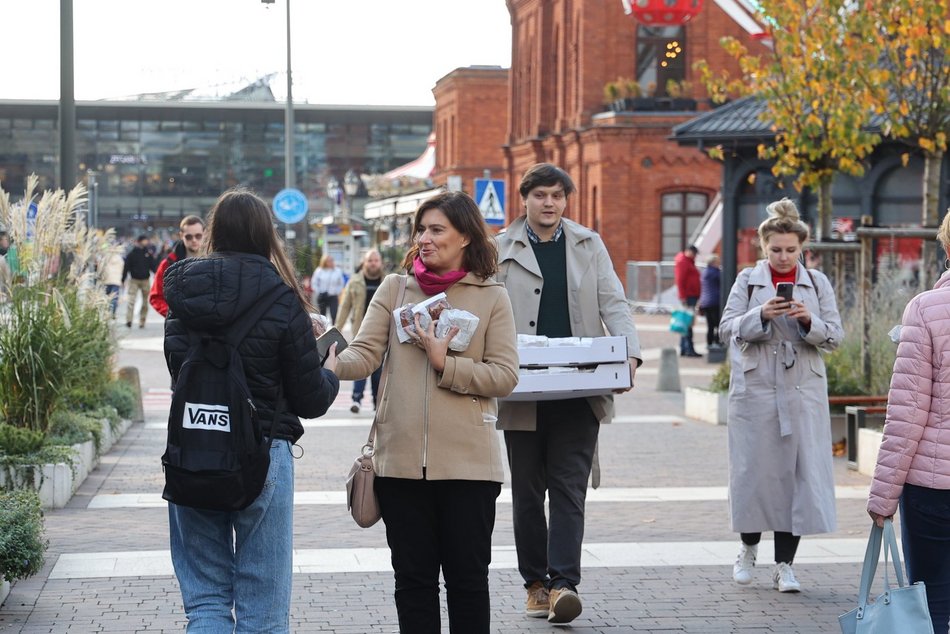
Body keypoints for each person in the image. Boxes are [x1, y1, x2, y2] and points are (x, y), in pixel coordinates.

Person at [333, 190, 519, 634]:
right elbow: (362, 354)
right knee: (412, 583)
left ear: (465, 238)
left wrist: (445, 363)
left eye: (437, 230)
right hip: (398, 466)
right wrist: (324, 359)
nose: (425, 238)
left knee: (467, 582)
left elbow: (505, 376)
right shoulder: (395, 288)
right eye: (422, 229)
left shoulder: (493, 296)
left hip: (469, 469)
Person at [162, 188, 340, 633]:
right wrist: (330, 368)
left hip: (194, 449)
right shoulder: (282, 299)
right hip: (263, 453)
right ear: (267, 235)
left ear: (215, 232)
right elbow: (311, 399)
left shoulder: (182, 294)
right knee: (262, 610)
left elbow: (177, 369)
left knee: (205, 603)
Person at [495, 163, 642, 624]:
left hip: (580, 388)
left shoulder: (588, 243)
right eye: (540, 195)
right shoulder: (499, 248)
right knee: (526, 493)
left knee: (569, 490)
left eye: (558, 195)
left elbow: (613, 302)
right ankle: (535, 582)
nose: (550, 203)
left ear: (566, 199)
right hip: (523, 389)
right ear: (525, 199)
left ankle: (564, 584)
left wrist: (629, 355)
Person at [719, 197, 842, 593]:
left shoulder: (818, 283)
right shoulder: (746, 281)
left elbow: (836, 337)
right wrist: (761, 316)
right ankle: (748, 548)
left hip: (802, 391)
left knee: (798, 478)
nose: (784, 257)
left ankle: (785, 564)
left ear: (802, 248)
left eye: (791, 250)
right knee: (753, 474)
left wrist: (809, 321)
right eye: (776, 250)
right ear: (763, 247)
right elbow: (726, 329)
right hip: (755, 391)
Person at [868, 210, 950, 634]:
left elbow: (906, 414)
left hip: (933, 490)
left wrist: (882, 498)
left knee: (931, 602)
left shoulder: (925, 309)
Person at [335, 249, 385, 414]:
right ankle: (356, 399)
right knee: (359, 366)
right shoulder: (355, 281)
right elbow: (345, 306)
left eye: (376, 260)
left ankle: (377, 402)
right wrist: (337, 330)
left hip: (383, 333)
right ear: (364, 262)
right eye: (370, 260)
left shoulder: (389, 282)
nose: (373, 263)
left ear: (381, 263)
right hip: (361, 331)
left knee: (378, 370)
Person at [149, 215, 204, 317]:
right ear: (181, 235)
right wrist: (172, 315)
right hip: (180, 326)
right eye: (189, 237)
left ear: (204, 234)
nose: (194, 240)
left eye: (198, 236)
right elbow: (156, 296)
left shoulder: (216, 260)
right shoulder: (168, 264)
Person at [122, 235, 156, 328]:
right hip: (134, 280)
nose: (146, 242)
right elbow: (126, 267)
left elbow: (153, 265)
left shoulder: (148, 254)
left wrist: (157, 274)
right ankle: (129, 320)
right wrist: (123, 279)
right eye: (144, 241)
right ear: (139, 241)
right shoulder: (132, 254)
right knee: (131, 301)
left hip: (145, 280)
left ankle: (142, 321)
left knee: (145, 303)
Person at [674, 244, 702, 357]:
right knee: (688, 323)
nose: (695, 256)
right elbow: (680, 280)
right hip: (688, 296)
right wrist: (683, 297)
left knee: (686, 323)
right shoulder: (683, 262)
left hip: (691, 296)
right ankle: (688, 348)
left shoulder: (688, 261)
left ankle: (684, 348)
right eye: (694, 253)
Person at [310, 254, 345, 322]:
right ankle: (323, 330)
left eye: (332, 260)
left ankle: (334, 329)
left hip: (333, 296)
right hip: (322, 296)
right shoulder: (319, 270)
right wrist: (319, 291)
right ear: (324, 261)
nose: (331, 262)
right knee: (322, 316)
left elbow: (341, 283)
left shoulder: (337, 271)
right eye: (328, 261)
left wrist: (337, 291)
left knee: (334, 314)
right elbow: (314, 282)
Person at [699, 253, 722, 348]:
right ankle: (717, 342)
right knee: (718, 324)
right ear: (713, 263)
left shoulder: (705, 272)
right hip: (715, 301)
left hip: (705, 302)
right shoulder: (716, 273)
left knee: (710, 325)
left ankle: (709, 343)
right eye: (718, 262)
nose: (719, 264)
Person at [98, 244, 125, 319]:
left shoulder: (104, 259)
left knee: (106, 297)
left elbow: (100, 269)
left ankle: (106, 313)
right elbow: (122, 269)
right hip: (116, 280)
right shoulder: (119, 259)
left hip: (106, 280)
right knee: (114, 298)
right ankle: (112, 313)